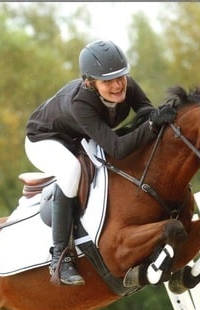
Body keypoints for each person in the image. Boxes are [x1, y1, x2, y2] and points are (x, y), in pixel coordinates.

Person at [25, 39, 177, 286]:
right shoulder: (81, 102)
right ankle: (60, 256)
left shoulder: (127, 84)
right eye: (107, 81)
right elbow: (118, 147)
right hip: (45, 140)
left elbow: (147, 114)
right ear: (89, 82)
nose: (118, 85)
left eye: (121, 77)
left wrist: (164, 116)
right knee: (71, 170)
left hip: (82, 138)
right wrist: (151, 124)